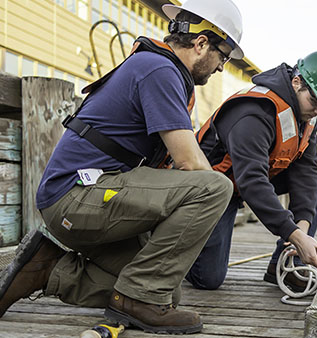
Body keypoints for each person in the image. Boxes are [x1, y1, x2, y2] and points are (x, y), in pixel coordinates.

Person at [0, 0, 245, 334]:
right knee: (216, 187)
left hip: (85, 199)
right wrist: (208, 216)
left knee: (163, 288)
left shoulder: (158, 69)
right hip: (77, 196)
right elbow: (190, 163)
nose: (220, 68)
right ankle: (137, 302)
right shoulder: (160, 70)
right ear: (202, 43)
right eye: (224, 57)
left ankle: (48, 269)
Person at [185, 51, 317, 292]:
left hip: (241, 184)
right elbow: (252, 181)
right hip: (212, 192)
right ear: (297, 82)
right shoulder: (254, 111)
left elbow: (307, 171)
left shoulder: (308, 118)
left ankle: (286, 265)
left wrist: (301, 229)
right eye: (315, 102)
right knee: (208, 279)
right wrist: (292, 233)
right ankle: (179, 249)